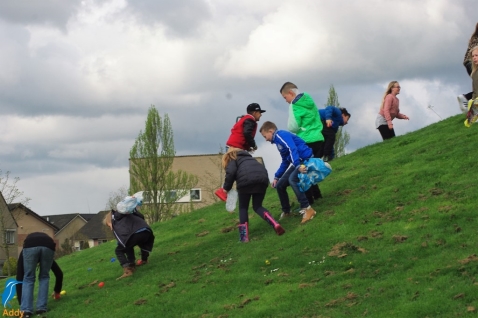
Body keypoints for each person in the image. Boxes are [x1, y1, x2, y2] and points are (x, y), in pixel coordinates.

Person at [220, 147, 285, 242]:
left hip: (246, 182)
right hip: (262, 180)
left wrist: (226, 188)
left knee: (243, 208)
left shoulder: (232, 158)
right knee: (258, 206)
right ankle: (274, 223)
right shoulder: (250, 158)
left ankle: (244, 237)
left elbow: (230, 173)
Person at [259, 121, 316, 224]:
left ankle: (307, 209)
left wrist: (298, 165)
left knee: (292, 180)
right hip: (297, 162)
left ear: (271, 131)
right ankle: (286, 211)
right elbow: (285, 160)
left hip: (305, 159)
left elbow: (292, 148)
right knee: (280, 185)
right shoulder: (277, 141)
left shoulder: (281, 135)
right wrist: (277, 177)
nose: (265, 139)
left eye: (265, 136)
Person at [280, 82, 324, 203]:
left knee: (303, 172)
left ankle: (309, 201)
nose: (286, 101)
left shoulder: (294, 106)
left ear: (291, 93)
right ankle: (317, 195)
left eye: (285, 97)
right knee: (311, 169)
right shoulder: (309, 98)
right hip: (319, 138)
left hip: (306, 140)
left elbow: (293, 127)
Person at [104, 199, 155, 280]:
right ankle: (143, 260)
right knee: (134, 244)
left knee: (119, 250)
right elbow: (141, 216)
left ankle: (128, 270)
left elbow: (122, 240)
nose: (110, 228)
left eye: (108, 225)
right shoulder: (128, 214)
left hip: (135, 233)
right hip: (147, 230)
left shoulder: (115, 219)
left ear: (110, 221)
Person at [19, 232, 57, 317]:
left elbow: (19, 274)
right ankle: (41, 309)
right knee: (44, 276)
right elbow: (58, 272)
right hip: (48, 245)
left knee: (28, 278)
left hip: (30, 245)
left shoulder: (27, 243)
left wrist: (19, 299)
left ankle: (26, 310)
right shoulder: (45, 237)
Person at [457, 23, 478, 112]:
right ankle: (467, 98)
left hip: (469, 63)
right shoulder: (476, 40)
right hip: (472, 63)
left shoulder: (475, 38)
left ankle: (468, 100)